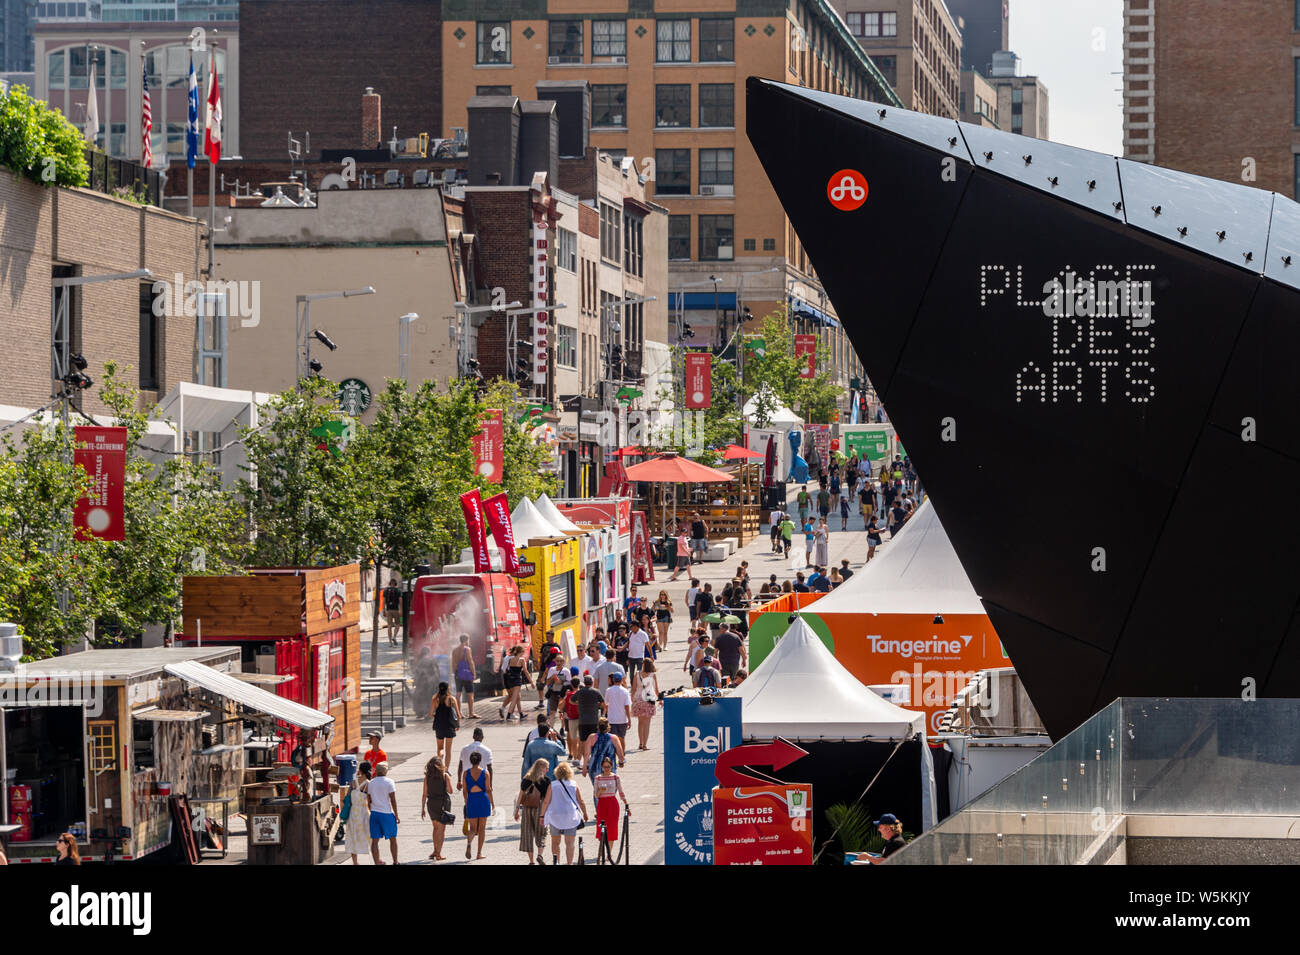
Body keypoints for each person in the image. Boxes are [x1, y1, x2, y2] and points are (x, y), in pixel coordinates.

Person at [541, 761, 589, 865]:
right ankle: (569, 863)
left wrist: (542, 815)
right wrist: (585, 813)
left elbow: (546, 802)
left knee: (555, 842)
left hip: (555, 816)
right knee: (570, 843)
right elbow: (581, 801)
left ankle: (556, 862)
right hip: (570, 816)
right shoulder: (574, 784)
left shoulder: (552, 785)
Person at [515, 758, 551, 864]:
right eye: (546, 768)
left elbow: (520, 795)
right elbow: (547, 798)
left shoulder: (526, 779)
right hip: (540, 808)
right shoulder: (546, 781)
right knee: (542, 832)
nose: (547, 770)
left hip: (527, 808)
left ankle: (531, 861)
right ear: (541, 768)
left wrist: (517, 809)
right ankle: (540, 855)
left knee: (527, 833)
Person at [460, 750, 493, 860]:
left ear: (471, 761)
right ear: (480, 761)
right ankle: (479, 853)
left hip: (471, 799)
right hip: (483, 800)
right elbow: (488, 789)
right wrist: (492, 803)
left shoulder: (466, 773)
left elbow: (464, 790)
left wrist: (466, 801)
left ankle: (469, 842)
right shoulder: (485, 773)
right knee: (482, 829)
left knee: (473, 828)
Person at [420, 755, 453, 861]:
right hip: (442, 804)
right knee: (441, 830)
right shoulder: (445, 776)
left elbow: (424, 794)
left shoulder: (427, 778)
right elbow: (450, 790)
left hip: (431, 804)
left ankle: (435, 850)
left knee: (435, 828)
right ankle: (438, 854)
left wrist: (422, 809)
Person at [367, 761, 400, 866]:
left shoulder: (371, 783)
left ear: (376, 771)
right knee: (393, 839)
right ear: (386, 771)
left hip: (374, 814)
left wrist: (371, 810)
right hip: (387, 814)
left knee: (375, 841)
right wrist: (396, 815)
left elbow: (369, 800)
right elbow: (393, 800)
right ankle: (395, 861)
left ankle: (377, 863)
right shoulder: (389, 782)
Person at [591, 756, 629, 845]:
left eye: (608, 767)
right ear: (602, 767)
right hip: (602, 804)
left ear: (611, 766)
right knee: (601, 827)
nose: (606, 769)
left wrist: (626, 804)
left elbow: (621, 792)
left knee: (612, 827)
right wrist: (600, 790)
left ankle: (609, 851)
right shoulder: (598, 778)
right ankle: (602, 849)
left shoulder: (615, 777)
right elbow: (596, 795)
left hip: (612, 803)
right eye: (605, 767)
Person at [343, 761, 373, 864]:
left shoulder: (353, 782)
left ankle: (355, 862)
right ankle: (375, 858)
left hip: (352, 813)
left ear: (360, 770)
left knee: (352, 836)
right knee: (369, 835)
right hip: (363, 812)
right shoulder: (368, 784)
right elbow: (370, 801)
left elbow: (347, 797)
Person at [573, 675, 606, 766]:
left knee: (583, 741)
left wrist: (579, 703)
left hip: (582, 721)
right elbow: (603, 703)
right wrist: (597, 705)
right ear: (592, 682)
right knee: (593, 741)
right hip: (593, 721)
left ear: (584, 682)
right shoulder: (596, 691)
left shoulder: (580, 692)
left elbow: (572, 701)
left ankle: (583, 760)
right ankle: (591, 759)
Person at [584, 716, 625, 784]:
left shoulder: (591, 737)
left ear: (598, 726)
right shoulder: (614, 738)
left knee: (597, 788)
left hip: (594, 767)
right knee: (610, 788)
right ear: (608, 726)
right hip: (609, 768)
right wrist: (621, 762)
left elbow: (586, 754)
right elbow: (620, 754)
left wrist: (584, 767)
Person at [430, 681, 461, 771]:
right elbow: (458, 715)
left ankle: (440, 761)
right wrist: (457, 725)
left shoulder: (435, 699)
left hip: (439, 726)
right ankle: (446, 770)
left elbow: (431, 713)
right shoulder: (451, 699)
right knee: (448, 750)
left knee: (440, 748)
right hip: (449, 726)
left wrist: (437, 716)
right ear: (448, 689)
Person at [632, 658, 661, 751]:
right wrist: (660, 699)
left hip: (638, 699)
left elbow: (633, 689)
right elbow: (656, 690)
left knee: (640, 722)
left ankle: (640, 743)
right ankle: (645, 744)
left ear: (643, 665)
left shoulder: (637, 674)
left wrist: (632, 700)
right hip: (649, 699)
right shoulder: (653, 675)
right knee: (647, 723)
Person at [500, 644, 533, 721]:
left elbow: (505, 670)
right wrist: (531, 682)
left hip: (510, 679)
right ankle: (509, 715)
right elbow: (526, 672)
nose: (523, 654)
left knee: (517, 697)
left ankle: (521, 714)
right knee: (514, 698)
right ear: (520, 652)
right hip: (517, 680)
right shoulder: (522, 660)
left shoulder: (510, 659)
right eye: (523, 652)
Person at [457, 726, 493, 793]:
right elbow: (490, 768)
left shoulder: (464, 749)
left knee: (468, 797)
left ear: (473, 737)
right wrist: (490, 784)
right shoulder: (487, 750)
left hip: (468, 778)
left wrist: (459, 780)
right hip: (481, 778)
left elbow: (460, 766)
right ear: (482, 737)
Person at [451, 633, 478, 719]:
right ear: (466, 640)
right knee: (470, 694)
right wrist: (473, 673)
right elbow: (470, 662)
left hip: (458, 674)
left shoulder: (454, 650)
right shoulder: (467, 649)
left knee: (458, 694)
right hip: (466, 674)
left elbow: (453, 663)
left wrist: (456, 673)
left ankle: (459, 713)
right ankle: (471, 713)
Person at [559, 676, 584, 760]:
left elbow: (560, 706)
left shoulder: (569, 695)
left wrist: (565, 696)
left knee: (573, 740)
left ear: (571, 685)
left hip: (572, 719)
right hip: (581, 719)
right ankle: (580, 758)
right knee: (581, 740)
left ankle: (575, 758)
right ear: (579, 684)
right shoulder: (582, 694)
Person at [603, 671, 633, 741]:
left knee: (613, 740)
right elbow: (627, 706)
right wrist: (629, 719)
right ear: (621, 680)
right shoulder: (625, 691)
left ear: (613, 680)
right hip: (622, 719)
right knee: (622, 739)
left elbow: (606, 704)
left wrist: (604, 715)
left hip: (612, 719)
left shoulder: (608, 690)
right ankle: (622, 749)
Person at [382, 574, 403, 647]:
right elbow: (400, 601)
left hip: (388, 610)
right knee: (398, 624)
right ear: (395, 584)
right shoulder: (398, 591)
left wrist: (383, 610)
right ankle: (394, 636)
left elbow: (383, 601)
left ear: (390, 583)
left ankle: (390, 642)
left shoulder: (386, 591)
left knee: (389, 626)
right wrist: (401, 610)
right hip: (395, 610)